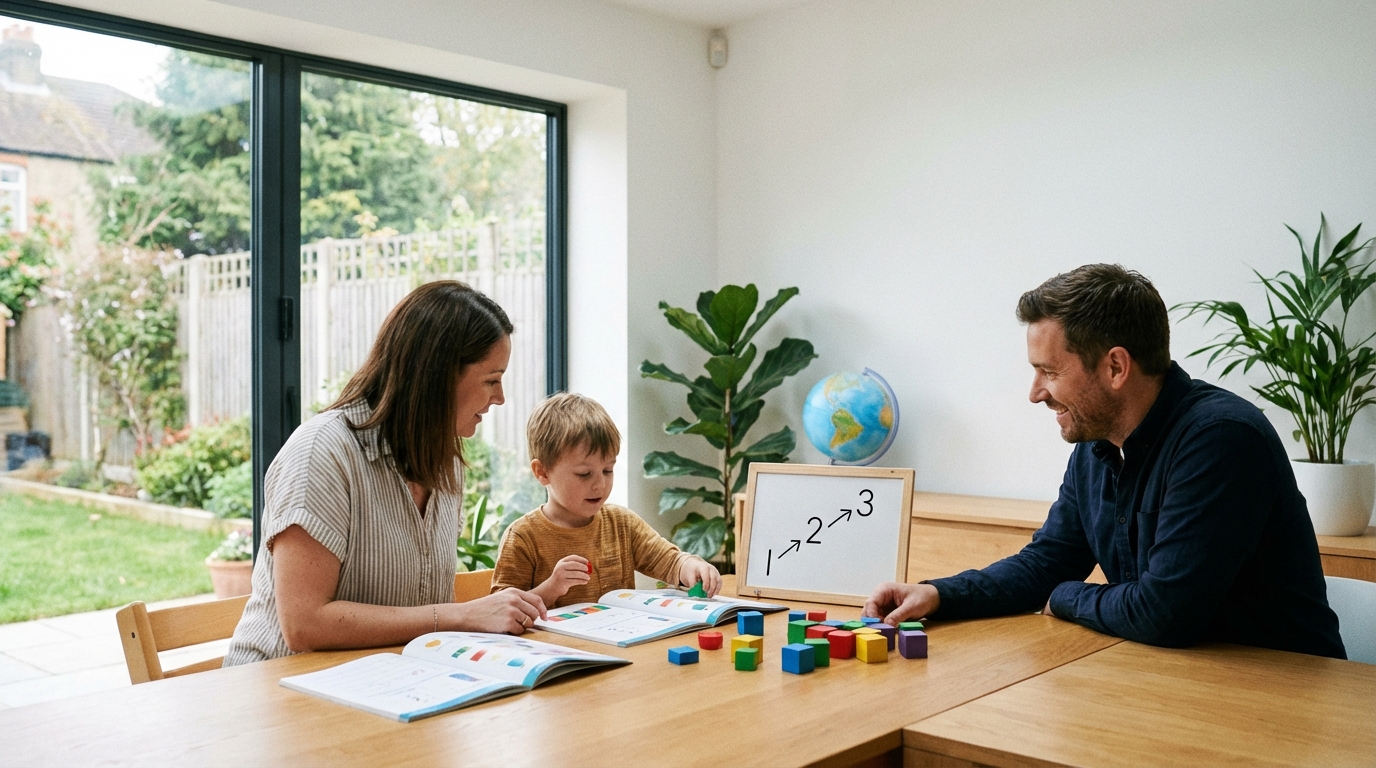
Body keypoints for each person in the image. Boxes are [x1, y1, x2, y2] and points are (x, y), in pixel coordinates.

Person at [865, 264, 1345, 658]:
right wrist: (940, 595)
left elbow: (1165, 613)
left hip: (1287, 695)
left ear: (1116, 367)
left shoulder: (1220, 439)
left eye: (1049, 372)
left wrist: (1065, 596)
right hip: (1175, 680)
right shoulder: (1096, 445)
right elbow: (1048, 560)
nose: (1035, 394)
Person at [224, 281, 547, 666]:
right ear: (437, 377)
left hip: (389, 684)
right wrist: (461, 616)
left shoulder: (443, 460)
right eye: (491, 380)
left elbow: (420, 611)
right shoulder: (322, 452)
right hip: (281, 693)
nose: (500, 398)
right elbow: (304, 624)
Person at [490, 392, 722, 608]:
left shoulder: (621, 523)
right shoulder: (523, 537)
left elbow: (668, 561)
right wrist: (551, 588)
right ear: (542, 472)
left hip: (617, 646)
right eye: (584, 474)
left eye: (608, 470)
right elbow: (502, 610)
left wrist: (690, 566)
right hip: (557, 651)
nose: (600, 484)